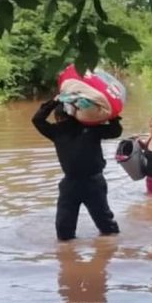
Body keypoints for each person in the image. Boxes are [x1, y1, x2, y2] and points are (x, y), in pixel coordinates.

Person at [32, 97, 122, 241]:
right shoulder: (90, 128)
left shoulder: (57, 131)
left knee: (64, 232)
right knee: (107, 226)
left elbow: (37, 120)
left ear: (58, 117)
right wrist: (112, 117)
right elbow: (115, 131)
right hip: (92, 182)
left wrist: (54, 101)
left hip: (74, 184)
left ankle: (67, 253)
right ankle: (111, 248)